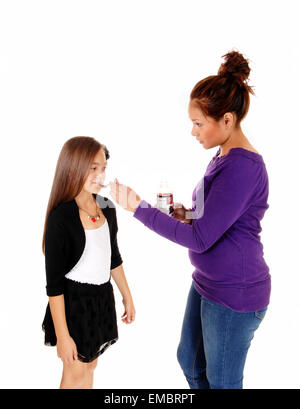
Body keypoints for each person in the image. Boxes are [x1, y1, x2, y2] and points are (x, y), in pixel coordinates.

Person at [109, 50, 271, 389]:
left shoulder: (243, 167)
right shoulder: (223, 156)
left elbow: (201, 239)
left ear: (226, 120)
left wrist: (139, 208)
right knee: (190, 361)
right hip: (208, 282)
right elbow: (218, 218)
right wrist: (186, 214)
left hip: (234, 292)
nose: (193, 131)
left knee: (222, 381)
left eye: (199, 124)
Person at [41, 136, 135, 389]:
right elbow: (55, 285)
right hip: (74, 303)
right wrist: (63, 336)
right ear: (73, 167)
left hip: (101, 299)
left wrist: (126, 295)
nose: (100, 175)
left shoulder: (106, 207)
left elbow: (112, 256)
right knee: (76, 372)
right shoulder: (62, 218)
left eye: (103, 168)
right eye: (93, 168)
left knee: (91, 366)